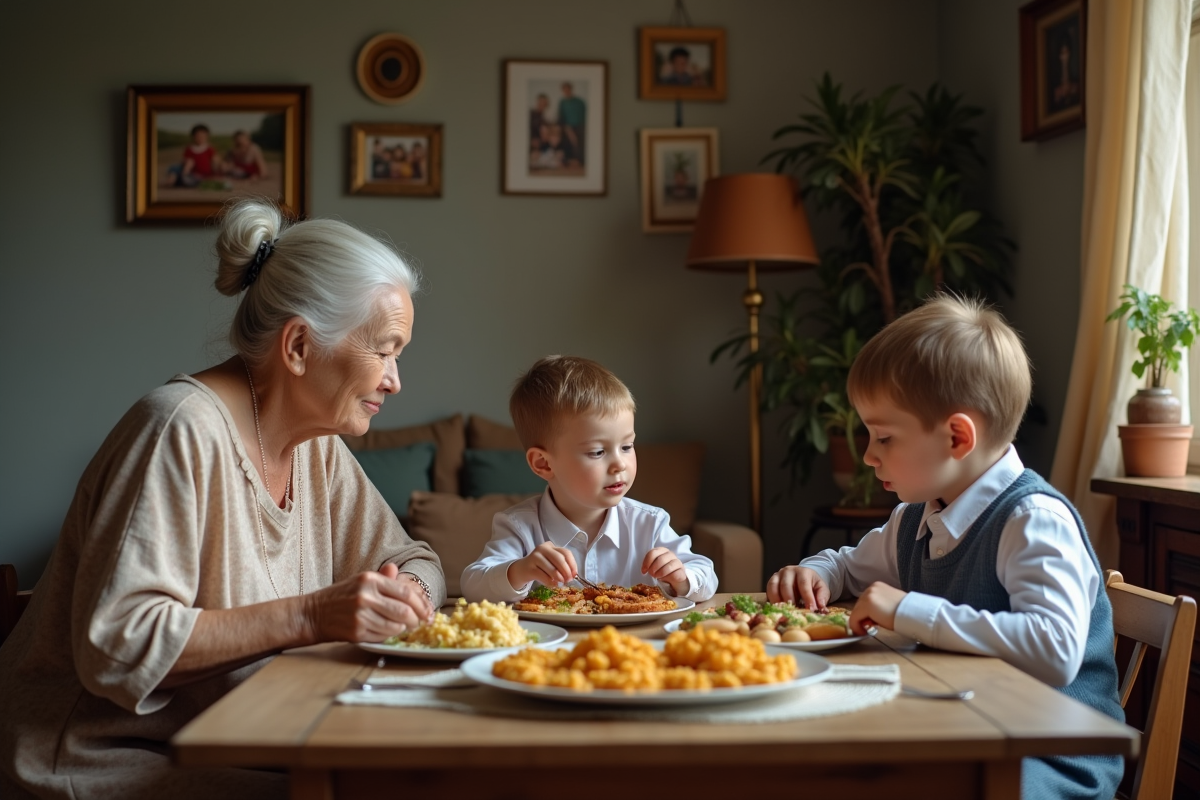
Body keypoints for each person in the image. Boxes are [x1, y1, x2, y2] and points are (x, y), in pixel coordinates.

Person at [0, 199, 447, 800]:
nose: (395, 380)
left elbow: (415, 556)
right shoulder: (177, 429)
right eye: (385, 349)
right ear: (297, 347)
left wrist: (407, 599)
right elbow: (119, 647)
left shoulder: (316, 444)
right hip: (101, 759)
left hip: (242, 738)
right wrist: (313, 615)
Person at [767, 295, 1124, 800]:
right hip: (967, 731)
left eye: (883, 437)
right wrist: (817, 573)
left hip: (1047, 762)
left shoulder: (1033, 521)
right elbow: (848, 566)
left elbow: (1055, 650)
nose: (867, 455)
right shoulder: (918, 515)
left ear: (957, 437)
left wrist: (911, 610)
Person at [461, 356, 718, 604]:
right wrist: (519, 571)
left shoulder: (648, 524)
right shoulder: (519, 527)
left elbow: (706, 575)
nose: (619, 463)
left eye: (627, 446)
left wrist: (682, 578)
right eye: (597, 452)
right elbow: (473, 584)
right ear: (544, 463)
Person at [556, 82, 586, 166]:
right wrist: (567, 128)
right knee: (567, 143)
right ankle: (568, 162)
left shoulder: (580, 102)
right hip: (567, 127)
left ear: (571, 89)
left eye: (568, 89)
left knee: (580, 144)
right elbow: (560, 117)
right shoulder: (562, 102)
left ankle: (581, 162)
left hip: (580, 126)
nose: (566, 92)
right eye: (564, 90)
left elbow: (584, 115)